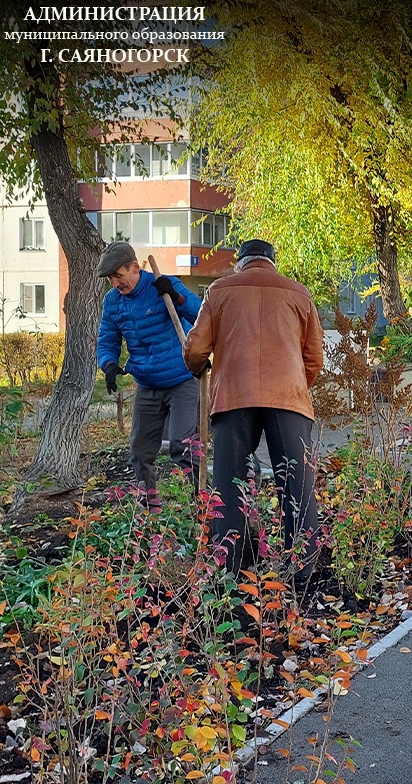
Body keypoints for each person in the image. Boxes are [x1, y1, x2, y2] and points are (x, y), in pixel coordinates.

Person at [183, 239, 325, 581]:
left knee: (228, 485)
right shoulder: (298, 293)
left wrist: (198, 363)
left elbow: (195, 350)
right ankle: (301, 571)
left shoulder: (219, 291)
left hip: (233, 399)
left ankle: (230, 569)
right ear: (272, 262)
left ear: (240, 262)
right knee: (296, 485)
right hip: (288, 400)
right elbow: (314, 359)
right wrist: (291, 385)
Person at [96, 240, 202, 495]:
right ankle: (148, 511)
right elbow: (107, 339)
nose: (115, 283)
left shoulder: (162, 285)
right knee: (140, 453)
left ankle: (205, 506)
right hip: (147, 384)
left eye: (118, 276)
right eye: (111, 279)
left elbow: (199, 314)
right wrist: (108, 364)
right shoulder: (113, 302)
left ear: (135, 267)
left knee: (182, 445)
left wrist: (176, 295)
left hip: (182, 378)